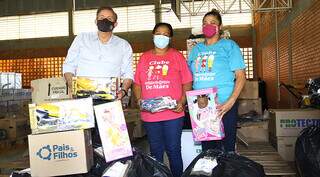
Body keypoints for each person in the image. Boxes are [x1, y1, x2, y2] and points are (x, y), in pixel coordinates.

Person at [133, 23, 192, 177]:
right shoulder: (144, 58)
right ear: (153, 35)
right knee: (155, 150)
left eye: (165, 34)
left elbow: (187, 82)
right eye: (158, 33)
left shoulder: (177, 56)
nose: (161, 37)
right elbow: (137, 83)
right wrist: (139, 99)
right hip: (150, 115)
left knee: (173, 149)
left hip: (173, 113)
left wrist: (183, 101)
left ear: (170, 38)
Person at [188, 9, 246, 153]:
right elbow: (189, 76)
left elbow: (240, 75)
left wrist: (231, 101)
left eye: (212, 23)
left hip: (224, 106)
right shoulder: (196, 50)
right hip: (202, 106)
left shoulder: (229, 46)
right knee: (208, 151)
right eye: (205, 23)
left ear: (219, 27)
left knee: (227, 149)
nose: (208, 25)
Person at [63, 6, 133, 100]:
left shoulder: (124, 45)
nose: (105, 20)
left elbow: (128, 73)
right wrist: (72, 86)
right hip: (82, 98)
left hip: (111, 99)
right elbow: (69, 65)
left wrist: (123, 91)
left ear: (115, 24)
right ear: (96, 21)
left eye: (109, 18)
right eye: (101, 17)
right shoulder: (82, 39)